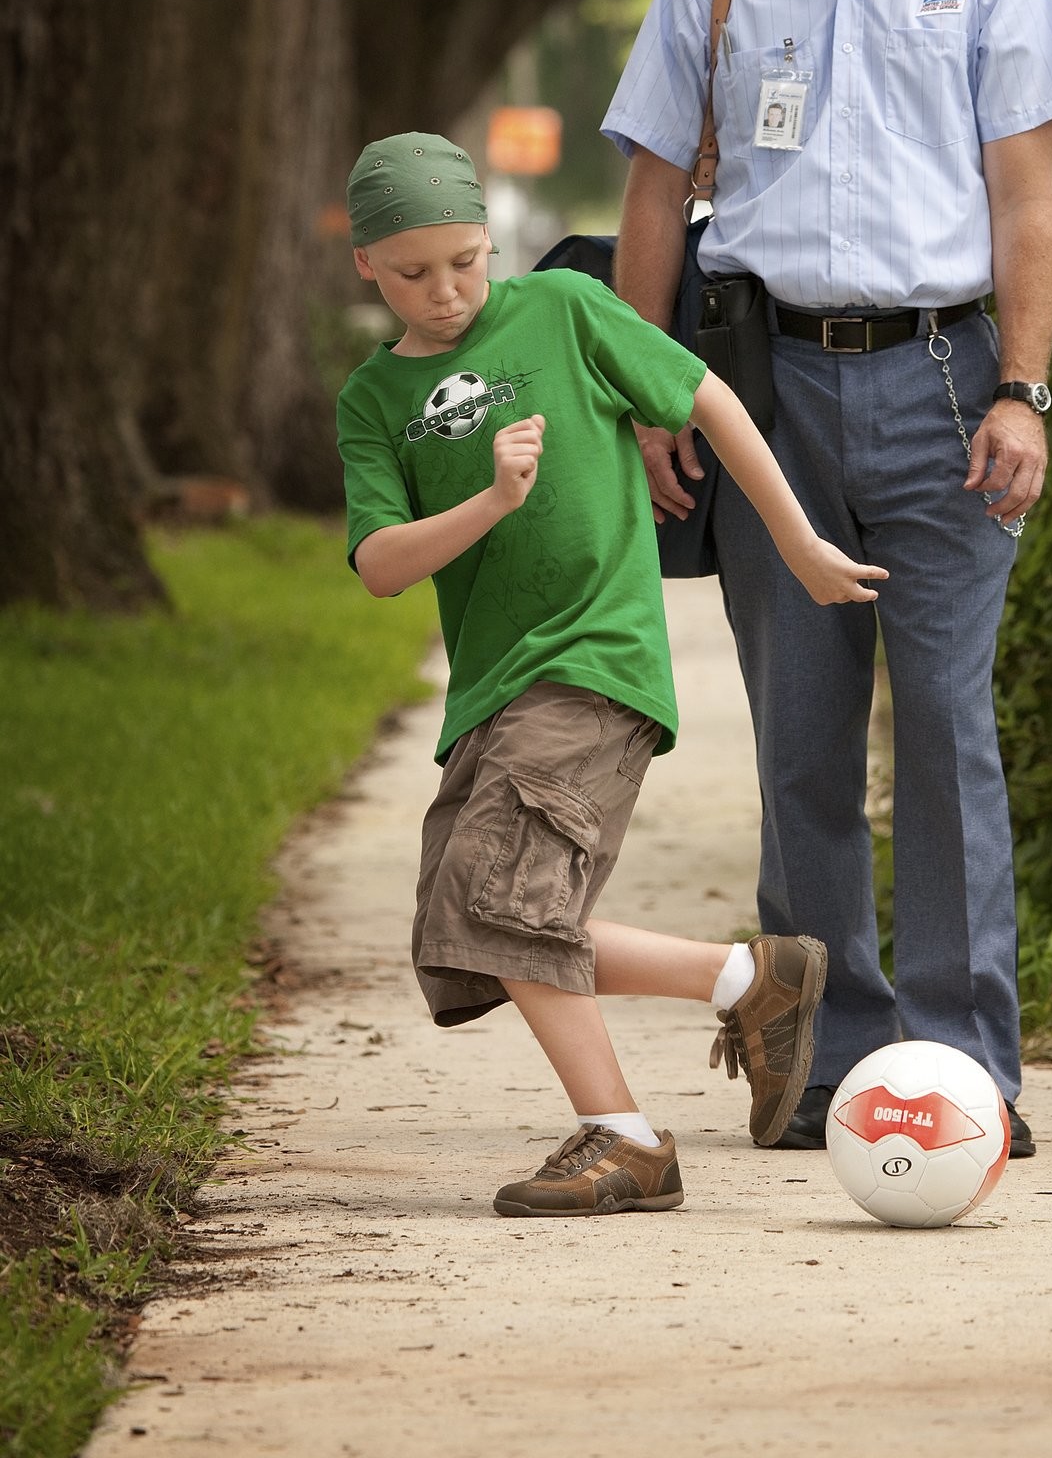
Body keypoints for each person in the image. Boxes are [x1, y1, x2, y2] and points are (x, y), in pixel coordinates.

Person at [603, 0, 1052, 1156]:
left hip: (948, 382)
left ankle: (959, 1071)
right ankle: (823, 1064)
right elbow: (649, 199)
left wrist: (1025, 390)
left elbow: (1026, 202)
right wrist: (648, 393)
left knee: (948, 729)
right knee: (803, 742)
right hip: (764, 390)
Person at [335, 132, 887, 1217]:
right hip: (491, 685)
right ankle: (745, 979)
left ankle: (626, 1139)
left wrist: (797, 541)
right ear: (366, 265)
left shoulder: (561, 308)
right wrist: (490, 501)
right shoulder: (370, 398)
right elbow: (379, 565)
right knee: (463, 935)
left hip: (595, 659)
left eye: (463, 260)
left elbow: (706, 400)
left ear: (489, 242)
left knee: (499, 904)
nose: (445, 290)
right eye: (412, 271)